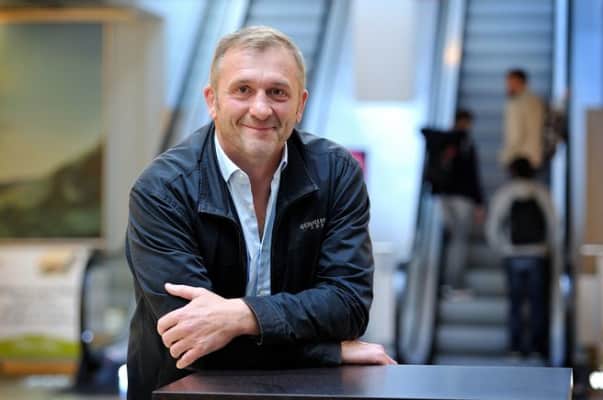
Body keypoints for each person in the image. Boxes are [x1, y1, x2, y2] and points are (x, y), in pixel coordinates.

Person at [125, 26, 395, 399]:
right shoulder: (162, 191)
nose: (261, 108)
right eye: (243, 90)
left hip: (303, 394)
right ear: (212, 100)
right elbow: (192, 339)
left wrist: (242, 315)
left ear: (300, 105)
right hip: (181, 392)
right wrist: (327, 352)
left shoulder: (336, 174)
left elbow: (348, 306)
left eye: (277, 92)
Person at [485, 158, 557, 357]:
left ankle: (515, 347)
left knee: (515, 303)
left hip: (513, 254)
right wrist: (547, 247)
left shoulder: (505, 193)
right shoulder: (542, 192)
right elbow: (554, 224)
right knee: (538, 303)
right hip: (537, 255)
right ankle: (537, 347)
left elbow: (493, 225)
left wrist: (501, 248)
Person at [424, 110, 484, 295]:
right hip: (462, 198)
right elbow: (472, 174)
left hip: (442, 197)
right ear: (466, 122)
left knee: (451, 239)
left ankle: (439, 283)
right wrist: (479, 202)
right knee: (459, 240)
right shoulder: (465, 141)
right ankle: (454, 283)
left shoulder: (440, 139)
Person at [500, 69, 545, 169]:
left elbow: (515, 134)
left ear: (519, 82)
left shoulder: (517, 103)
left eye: (510, 83)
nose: (507, 86)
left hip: (519, 157)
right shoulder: (535, 100)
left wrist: (506, 155)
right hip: (534, 155)